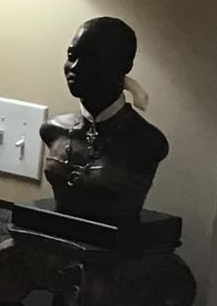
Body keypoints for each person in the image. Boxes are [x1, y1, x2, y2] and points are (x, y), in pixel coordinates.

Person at [39, 16, 170, 224]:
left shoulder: (148, 142)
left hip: (115, 250)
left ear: (124, 65)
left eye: (91, 58)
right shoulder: (52, 129)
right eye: (72, 56)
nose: (75, 67)